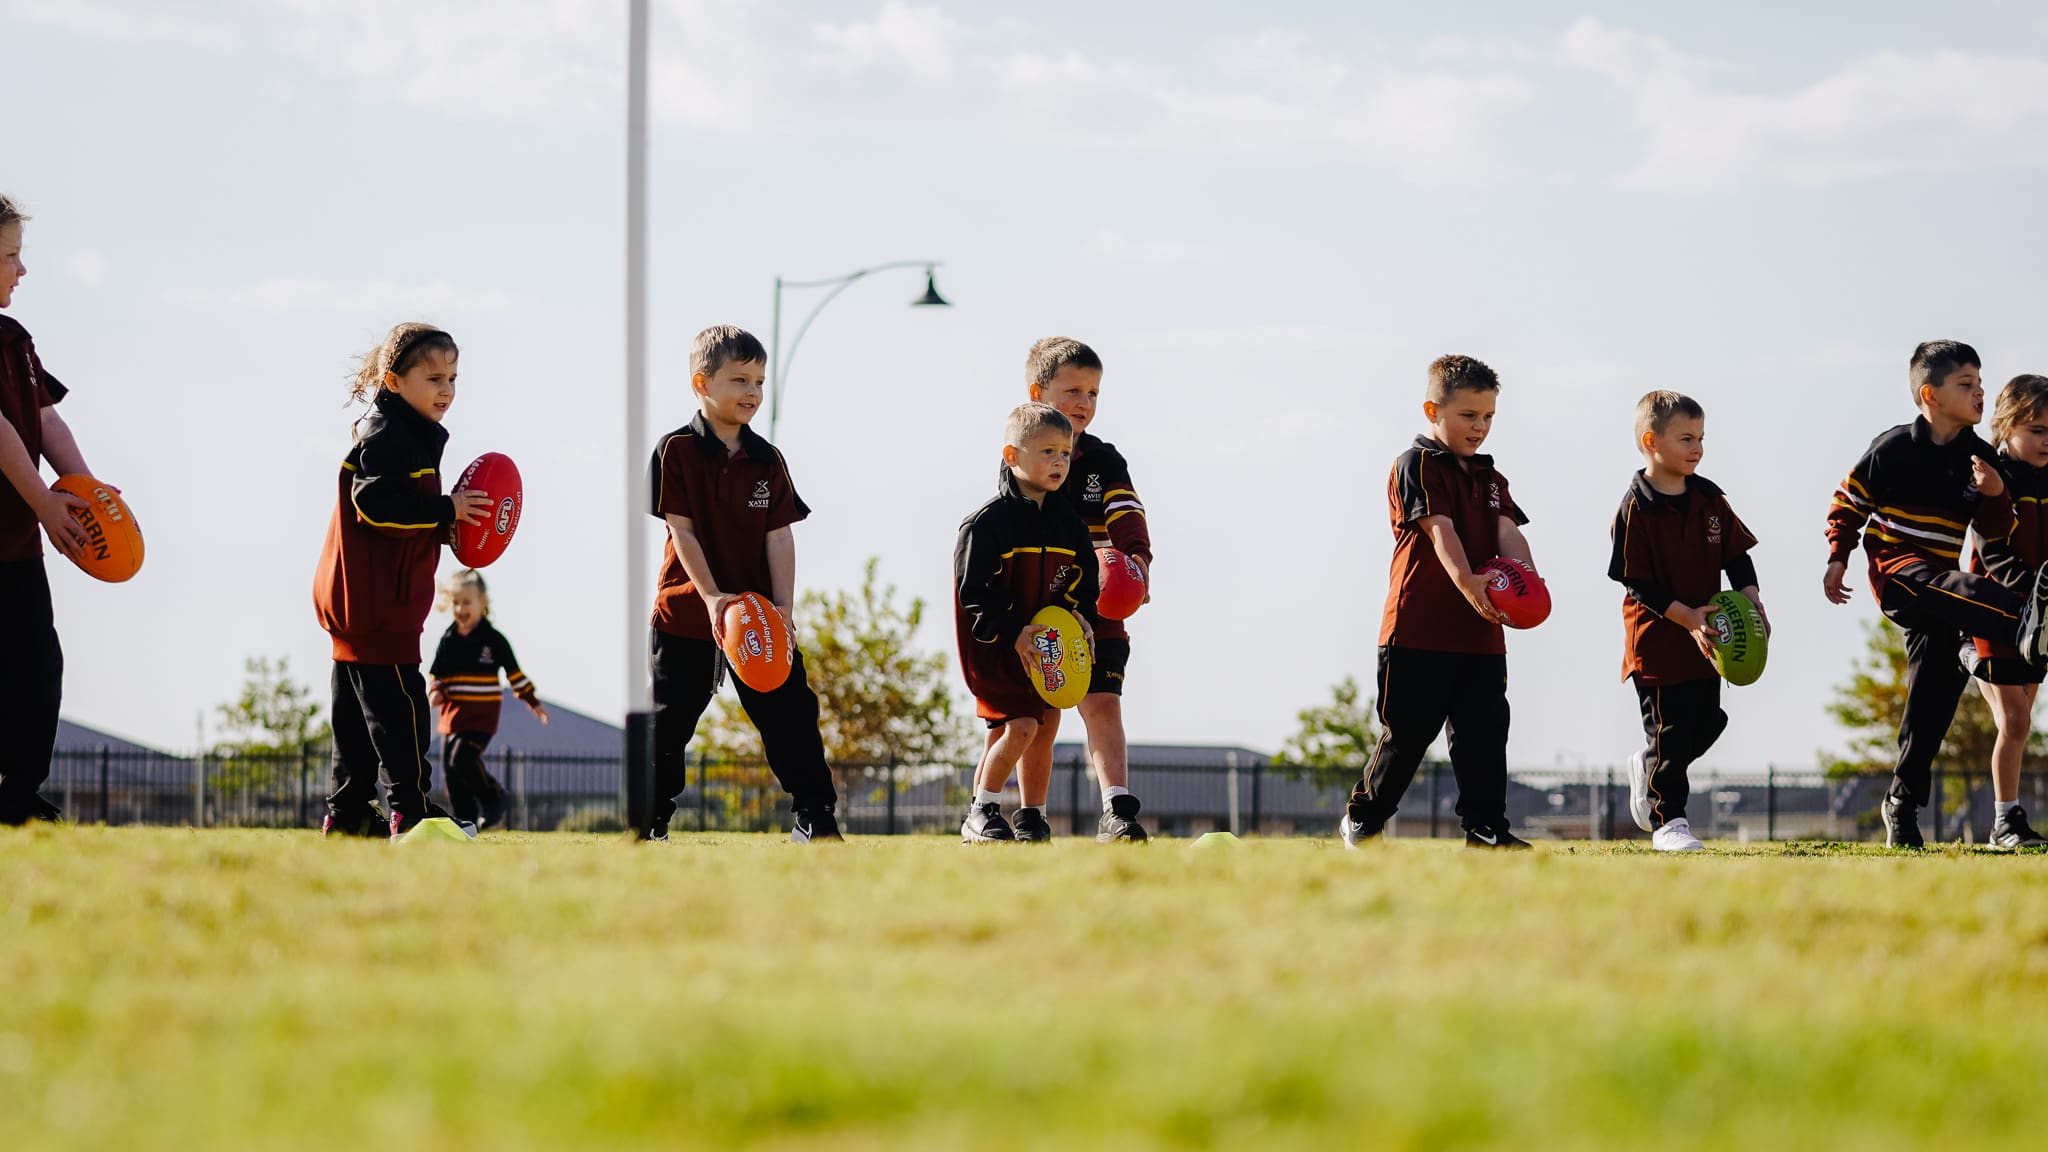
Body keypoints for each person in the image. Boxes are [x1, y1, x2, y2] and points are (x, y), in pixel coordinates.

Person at [1823, 340, 2046, 848]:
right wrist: (1839, 556)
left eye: (1981, 382)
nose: (1980, 391)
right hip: (1899, 571)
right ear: (1931, 395)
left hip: (1943, 592)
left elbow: (1996, 527)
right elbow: (1848, 501)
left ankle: (1901, 803)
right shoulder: (1894, 447)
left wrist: (1993, 495)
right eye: (1966, 384)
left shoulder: (1980, 457)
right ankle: (2018, 621)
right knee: (1972, 593)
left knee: (1932, 702)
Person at [646, 325, 840, 843]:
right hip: (688, 613)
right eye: (739, 380)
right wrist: (711, 599)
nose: (753, 391)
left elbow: (780, 539)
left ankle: (817, 819)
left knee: (792, 718)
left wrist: (782, 610)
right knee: (667, 723)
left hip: (759, 619)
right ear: (701, 384)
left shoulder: (768, 459)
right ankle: (647, 822)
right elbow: (680, 531)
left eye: (759, 380)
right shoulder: (676, 451)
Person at [1343, 354, 1536, 850]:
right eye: (1469, 416)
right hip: (1417, 629)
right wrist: (1470, 581)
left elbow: (1507, 532)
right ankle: (1364, 818)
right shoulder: (1417, 464)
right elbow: (1439, 530)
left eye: (1489, 416)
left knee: (1485, 735)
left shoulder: (1491, 478)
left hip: (1480, 633)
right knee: (1408, 733)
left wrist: (1529, 583)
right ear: (1433, 410)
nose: (1480, 427)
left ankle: (1486, 828)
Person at [313, 322, 488, 838]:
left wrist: (442, 522)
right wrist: (444, 510)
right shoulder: (391, 438)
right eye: (433, 377)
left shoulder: (403, 434)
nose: (446, 390)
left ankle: (346, 817)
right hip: (375, 604)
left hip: (360, 602)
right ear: (393, 382)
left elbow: (397, 519)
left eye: (453, 378)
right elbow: (375, 507)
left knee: (355, 722)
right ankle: (412, 812)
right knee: (402, 712)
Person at [1607, 391, 1765, 852]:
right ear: (1652, 441)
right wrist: (1687, 617)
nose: (1697, 448)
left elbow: (1738, 556)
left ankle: (1650, 764)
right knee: (1671, 735)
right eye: (1686, 439)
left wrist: (1752, 601)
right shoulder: (1634, 507)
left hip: (1710, 637)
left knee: (1710, 721)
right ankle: (1669, 823)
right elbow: (1637, 583)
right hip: (1657, 641)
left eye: (1701, 438)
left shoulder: (1710, 498)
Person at [1011, 338, 1153, 842]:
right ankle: (1031, 814)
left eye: (1093, 393)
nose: (1083, 403)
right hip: (1041, 604)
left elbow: (1127, 515)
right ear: (1038, 392)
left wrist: (1137, 562)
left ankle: (1116, 809)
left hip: (1100, 601)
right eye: (1072, 390)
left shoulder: (1104, 460)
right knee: (1042, 712)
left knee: (1102, 701)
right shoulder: (1020, 461)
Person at [953, 402, 1099, 843]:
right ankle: (982, 812)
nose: (1058, 462)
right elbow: (973, 595)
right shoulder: (985, 525)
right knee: (1019, 727)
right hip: (997, 649)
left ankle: (1031, 818)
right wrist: (1012, 630)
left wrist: (1081, 618)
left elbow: (1082, 584)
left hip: (1047, 647)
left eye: (1064, 453)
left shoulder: (1069, 526)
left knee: (1044, 729)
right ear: (1012, 456)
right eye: (1047, 452)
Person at [0, 195, 99, 825]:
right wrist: (43, 503)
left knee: (38, 669)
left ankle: (15, 795)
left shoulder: (14, 339)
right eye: (10, 256)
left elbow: (43, 418)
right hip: (13, 531)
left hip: (16, 551)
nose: (21, 269)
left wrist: (89, 491)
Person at [1962, 373, 2048, 849]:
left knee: (2019, 722)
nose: (2046, 441)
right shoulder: (1993, 476)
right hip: (1992, 612)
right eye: (2037, 430)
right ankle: (2006, 823)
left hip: (2040, 619)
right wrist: (2030, 591)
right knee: (2014, 721)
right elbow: (1992, 550)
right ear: (2007, 425)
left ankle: (2008, 818)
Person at [427, 567, 548, 832]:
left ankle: (494, 797)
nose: (460, 609)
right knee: (451, 770)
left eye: (466, 602)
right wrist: (435, 690)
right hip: (453, 715)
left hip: (481, 717)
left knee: (462, 759)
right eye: (455, 603)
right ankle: (465, 822)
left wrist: (533, 701)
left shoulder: (493, 641)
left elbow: (515, 674)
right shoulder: (448, 640)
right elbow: (437, 673)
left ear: (482, 603)